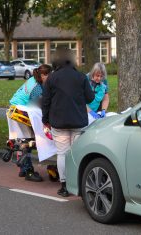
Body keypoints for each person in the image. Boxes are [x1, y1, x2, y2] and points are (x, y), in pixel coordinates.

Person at [42, 47, 95, 197]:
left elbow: (45, 102)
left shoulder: (52, 78)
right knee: (76, 153)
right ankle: (78, 184)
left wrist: (45, 120)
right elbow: (90, 98)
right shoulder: (81, 77)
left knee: (62, 154)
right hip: (78, 121)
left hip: (58, 122)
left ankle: (64, 186)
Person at [8, 64, 53, 182]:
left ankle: (23, 168)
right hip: (21, 110)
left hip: (15, 107)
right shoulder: (36, 87)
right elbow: (41, 105)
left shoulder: (33, 80)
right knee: (28, 140)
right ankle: (28, 171)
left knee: (23, 139)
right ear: (43, 75)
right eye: (49, 75)